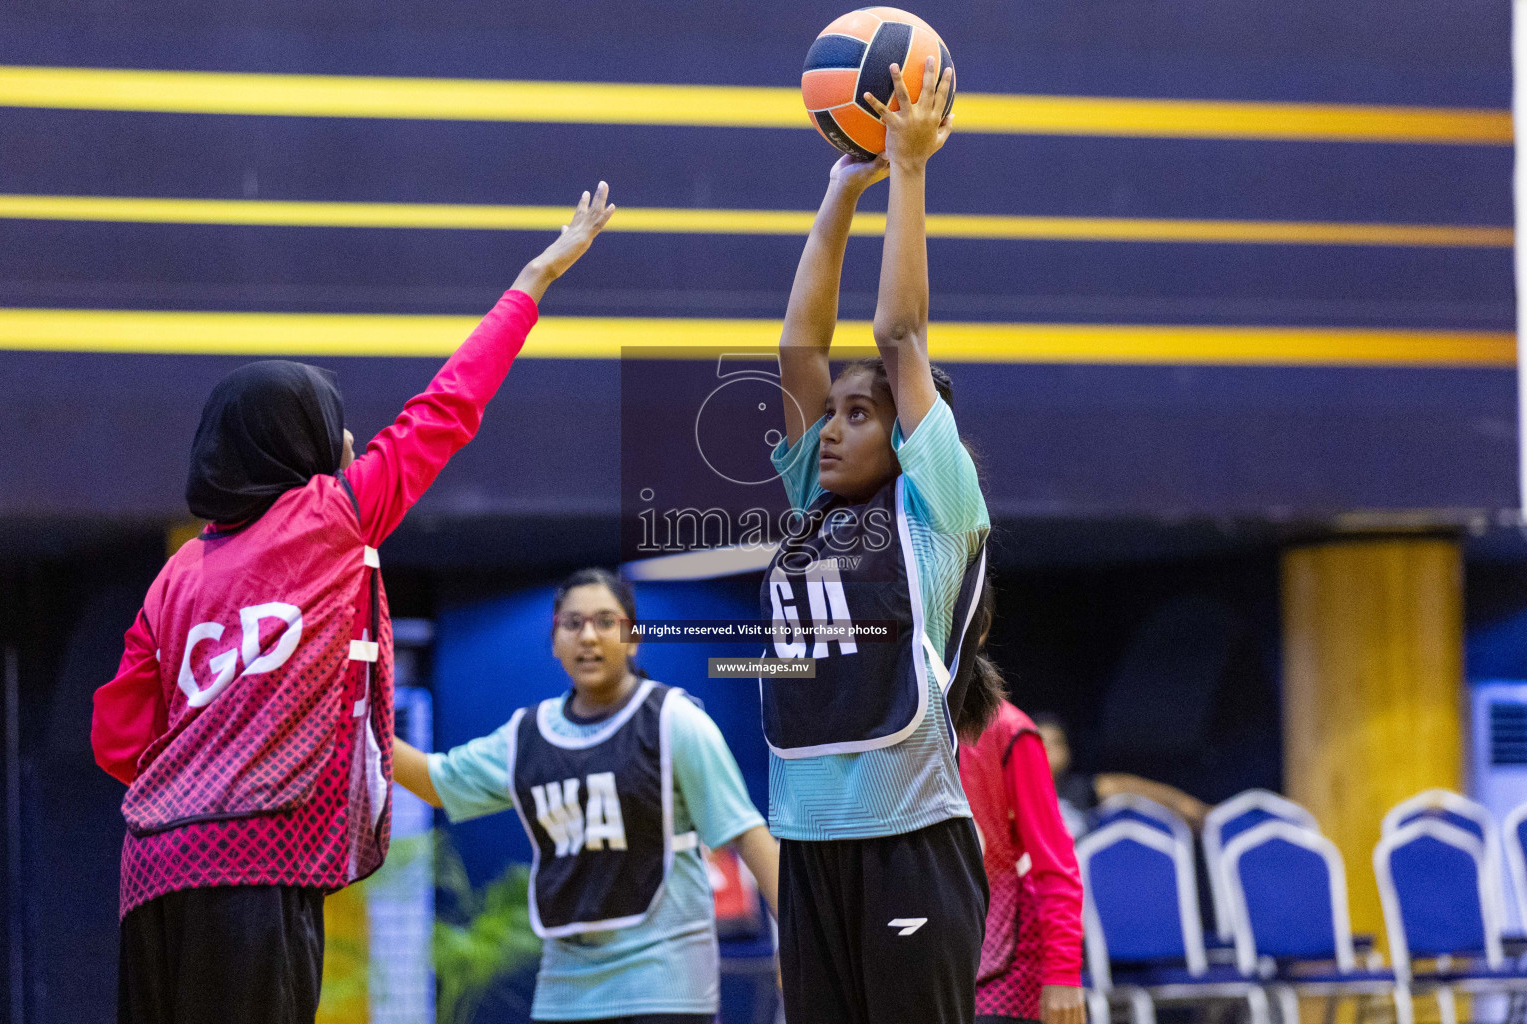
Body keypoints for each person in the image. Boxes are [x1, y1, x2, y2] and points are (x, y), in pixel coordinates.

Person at [90, 182, 616, 1024]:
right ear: (292, 443)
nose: (348, 439)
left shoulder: (175, 573)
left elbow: (117, 739)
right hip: (252, 868)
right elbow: (449, 406)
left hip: (149, 871)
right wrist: (536, 278)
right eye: (331, 423)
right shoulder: (332, 517)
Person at [759, 56, 1000, 1024]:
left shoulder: (936, 504)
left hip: (910, 840)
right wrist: (837, 190)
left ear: (907, 437)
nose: (834, 426)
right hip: (809, 843)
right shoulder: (805, 506)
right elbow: (796, 350)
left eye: (860, 415)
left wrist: (909, 168)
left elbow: (898, 337)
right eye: (834, 415)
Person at [393, 568, 781, 1024]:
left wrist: (800, 943)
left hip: (666, 980)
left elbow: (746, 832)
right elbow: (434, 782)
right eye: (573, 624)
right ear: (555, 640)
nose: (588, 636)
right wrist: (352, 716)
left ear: (633, 637)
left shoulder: (674, 720)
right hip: (567, 987)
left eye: (605, 621)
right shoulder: (527, 736)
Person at [959, 695, 1085, 1024]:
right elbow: (805, 667)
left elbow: (1056, 862)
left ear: (978, 638)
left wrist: (1063, 973)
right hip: (924, 952)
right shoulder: (888, 722)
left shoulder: (1010, 731)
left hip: (1004, 962)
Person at [1032, 714, 1210, 831]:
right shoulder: (1011, 795)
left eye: (1056, 743)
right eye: (1039, 743)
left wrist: (1190, 807)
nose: (1047, 750)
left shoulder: (1081, 788)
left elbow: (1131, 786)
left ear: (1068, 751)